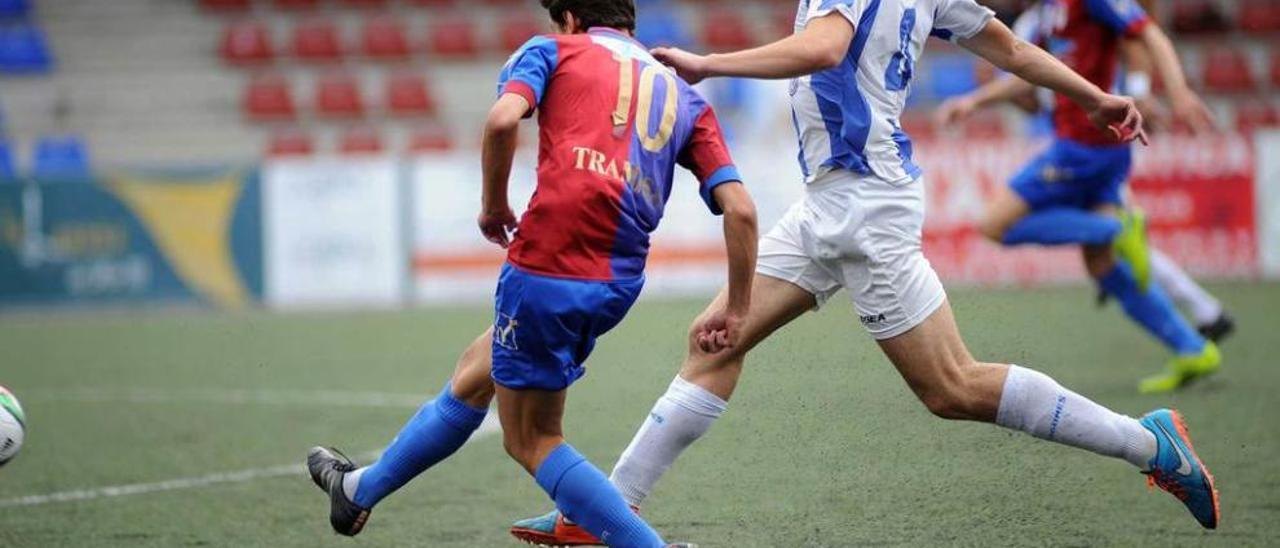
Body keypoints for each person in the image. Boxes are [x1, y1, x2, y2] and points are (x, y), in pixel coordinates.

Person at [507, 0, 1219, 544]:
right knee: (717, 337)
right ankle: (603, 512)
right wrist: (1091, 95)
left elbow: (828, 45)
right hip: (831, 202)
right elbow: (1007, 46)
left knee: (952, 386)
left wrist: (711, 63)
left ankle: (1148, 441)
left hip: (866, 207)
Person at [305, 1, 758, 546]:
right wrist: (736, 304)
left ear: (568, 17)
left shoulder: (552, 51)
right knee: (481, 365)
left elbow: (501, 121)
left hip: (548, 266)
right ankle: (357, 492)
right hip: (616, 281)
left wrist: (494, 206)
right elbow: (741, 211)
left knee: (533, 439)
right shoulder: (685, 97)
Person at [934, 0, 1223, 393]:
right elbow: (1029, 71)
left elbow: (1147, 33)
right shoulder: (1044, 15)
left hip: (1084, 148)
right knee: (1101, 265)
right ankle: (1191, 348)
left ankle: (1113, 227)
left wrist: (1178, 91)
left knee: (994, 223)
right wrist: (975, 100)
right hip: (1096, 149)